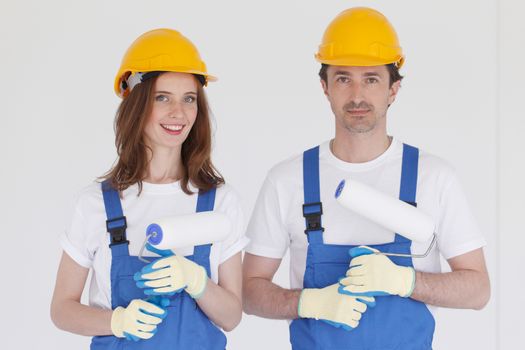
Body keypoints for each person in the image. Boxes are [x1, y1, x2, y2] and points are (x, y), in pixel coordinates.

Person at [242, 7, 490, 349]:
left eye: (371, 79)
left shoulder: (434, 177)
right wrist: (307, 302)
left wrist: (406, 281)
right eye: (343, 78)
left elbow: (478, 290)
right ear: (325, 87)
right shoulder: (287, 180)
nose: (357, 95)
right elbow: (249, 291)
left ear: (393, 89)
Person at [50, 28, 247, 349]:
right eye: (162, 97)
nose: (178, 113)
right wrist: (117, 321)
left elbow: (231, 316)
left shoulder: (220, 203)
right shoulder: (96, 204)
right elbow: (61, 309)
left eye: (189, 99)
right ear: (136, 103)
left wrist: (195, 280)